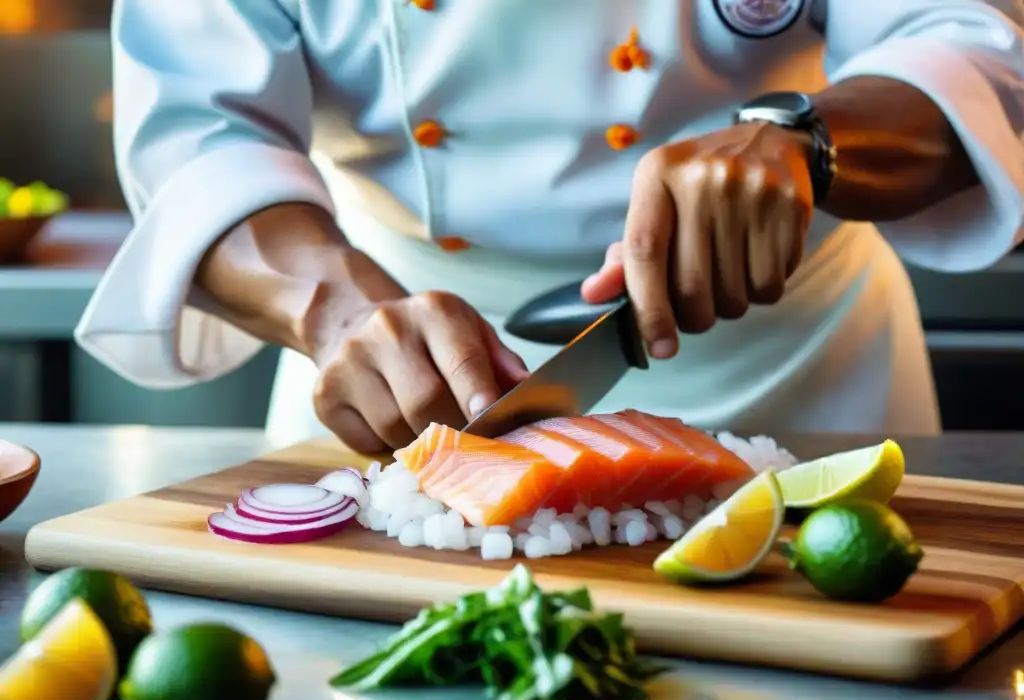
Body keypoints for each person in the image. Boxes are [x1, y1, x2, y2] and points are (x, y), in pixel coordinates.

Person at [78, 0, 1024, 450]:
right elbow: (203, 134)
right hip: (412, 383)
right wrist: (338, 315)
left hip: (797, 375)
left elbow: (967, 49)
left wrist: (809, 137)